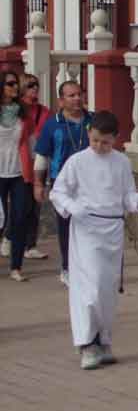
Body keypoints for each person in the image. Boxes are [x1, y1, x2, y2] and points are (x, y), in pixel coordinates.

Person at [49, 111, 138, 369]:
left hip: (112, 230)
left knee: (107, 289)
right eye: (95, 140)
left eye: (105, 142)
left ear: (115, 139)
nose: (99, 146)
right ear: (89, 134)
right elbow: (58, 192)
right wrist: (72, 207)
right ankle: (86, 343)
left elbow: (126, 197)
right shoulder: (77, 161)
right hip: (86, 228)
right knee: (90, 287)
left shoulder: (121, 162)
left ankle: (103, 339)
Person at [33, 81, 93, 287]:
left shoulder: (93, 120)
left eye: (79, 94)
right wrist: (38, 184)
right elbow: (42, 156)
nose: (77, 98)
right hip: (62, 184)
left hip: (90, 183)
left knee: (90, 226)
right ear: (61, 100)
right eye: (71, 95)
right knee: (66, 226)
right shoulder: (53, 124)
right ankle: (67, 268)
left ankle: (87, 267)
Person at [8, 73, 49, 262]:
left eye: (36, 85)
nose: (35, 89)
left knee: (35, 205)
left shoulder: (43, 111)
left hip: (38, 161)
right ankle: (9, 237)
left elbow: (46, 132)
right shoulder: (15, 110)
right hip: (18, 162)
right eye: (31, 85)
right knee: (20, 206)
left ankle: (30, 245)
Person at [0, 71, 29, 282]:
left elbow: (30, 141)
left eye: (16, 83)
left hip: (18, 172)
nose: (15, 87)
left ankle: (16, 267)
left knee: (20, 219)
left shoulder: (22, 111)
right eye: (10, 83)